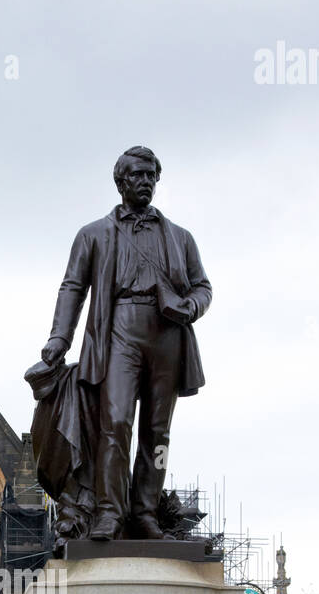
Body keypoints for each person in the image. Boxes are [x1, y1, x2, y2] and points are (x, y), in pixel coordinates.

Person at [41, 146, 212, 540]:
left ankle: (145, 514)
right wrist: (59, 337)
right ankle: (109, 513)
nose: (146, 182)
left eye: (151, 175)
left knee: (158, 433)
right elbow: (72, 287)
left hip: (168, 334)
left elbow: (203, 286)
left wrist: (190, 306)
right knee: (115, 423)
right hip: (118, 328)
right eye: (137, 175)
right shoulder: (93, 233)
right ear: (121, 182)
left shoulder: (181, 238)